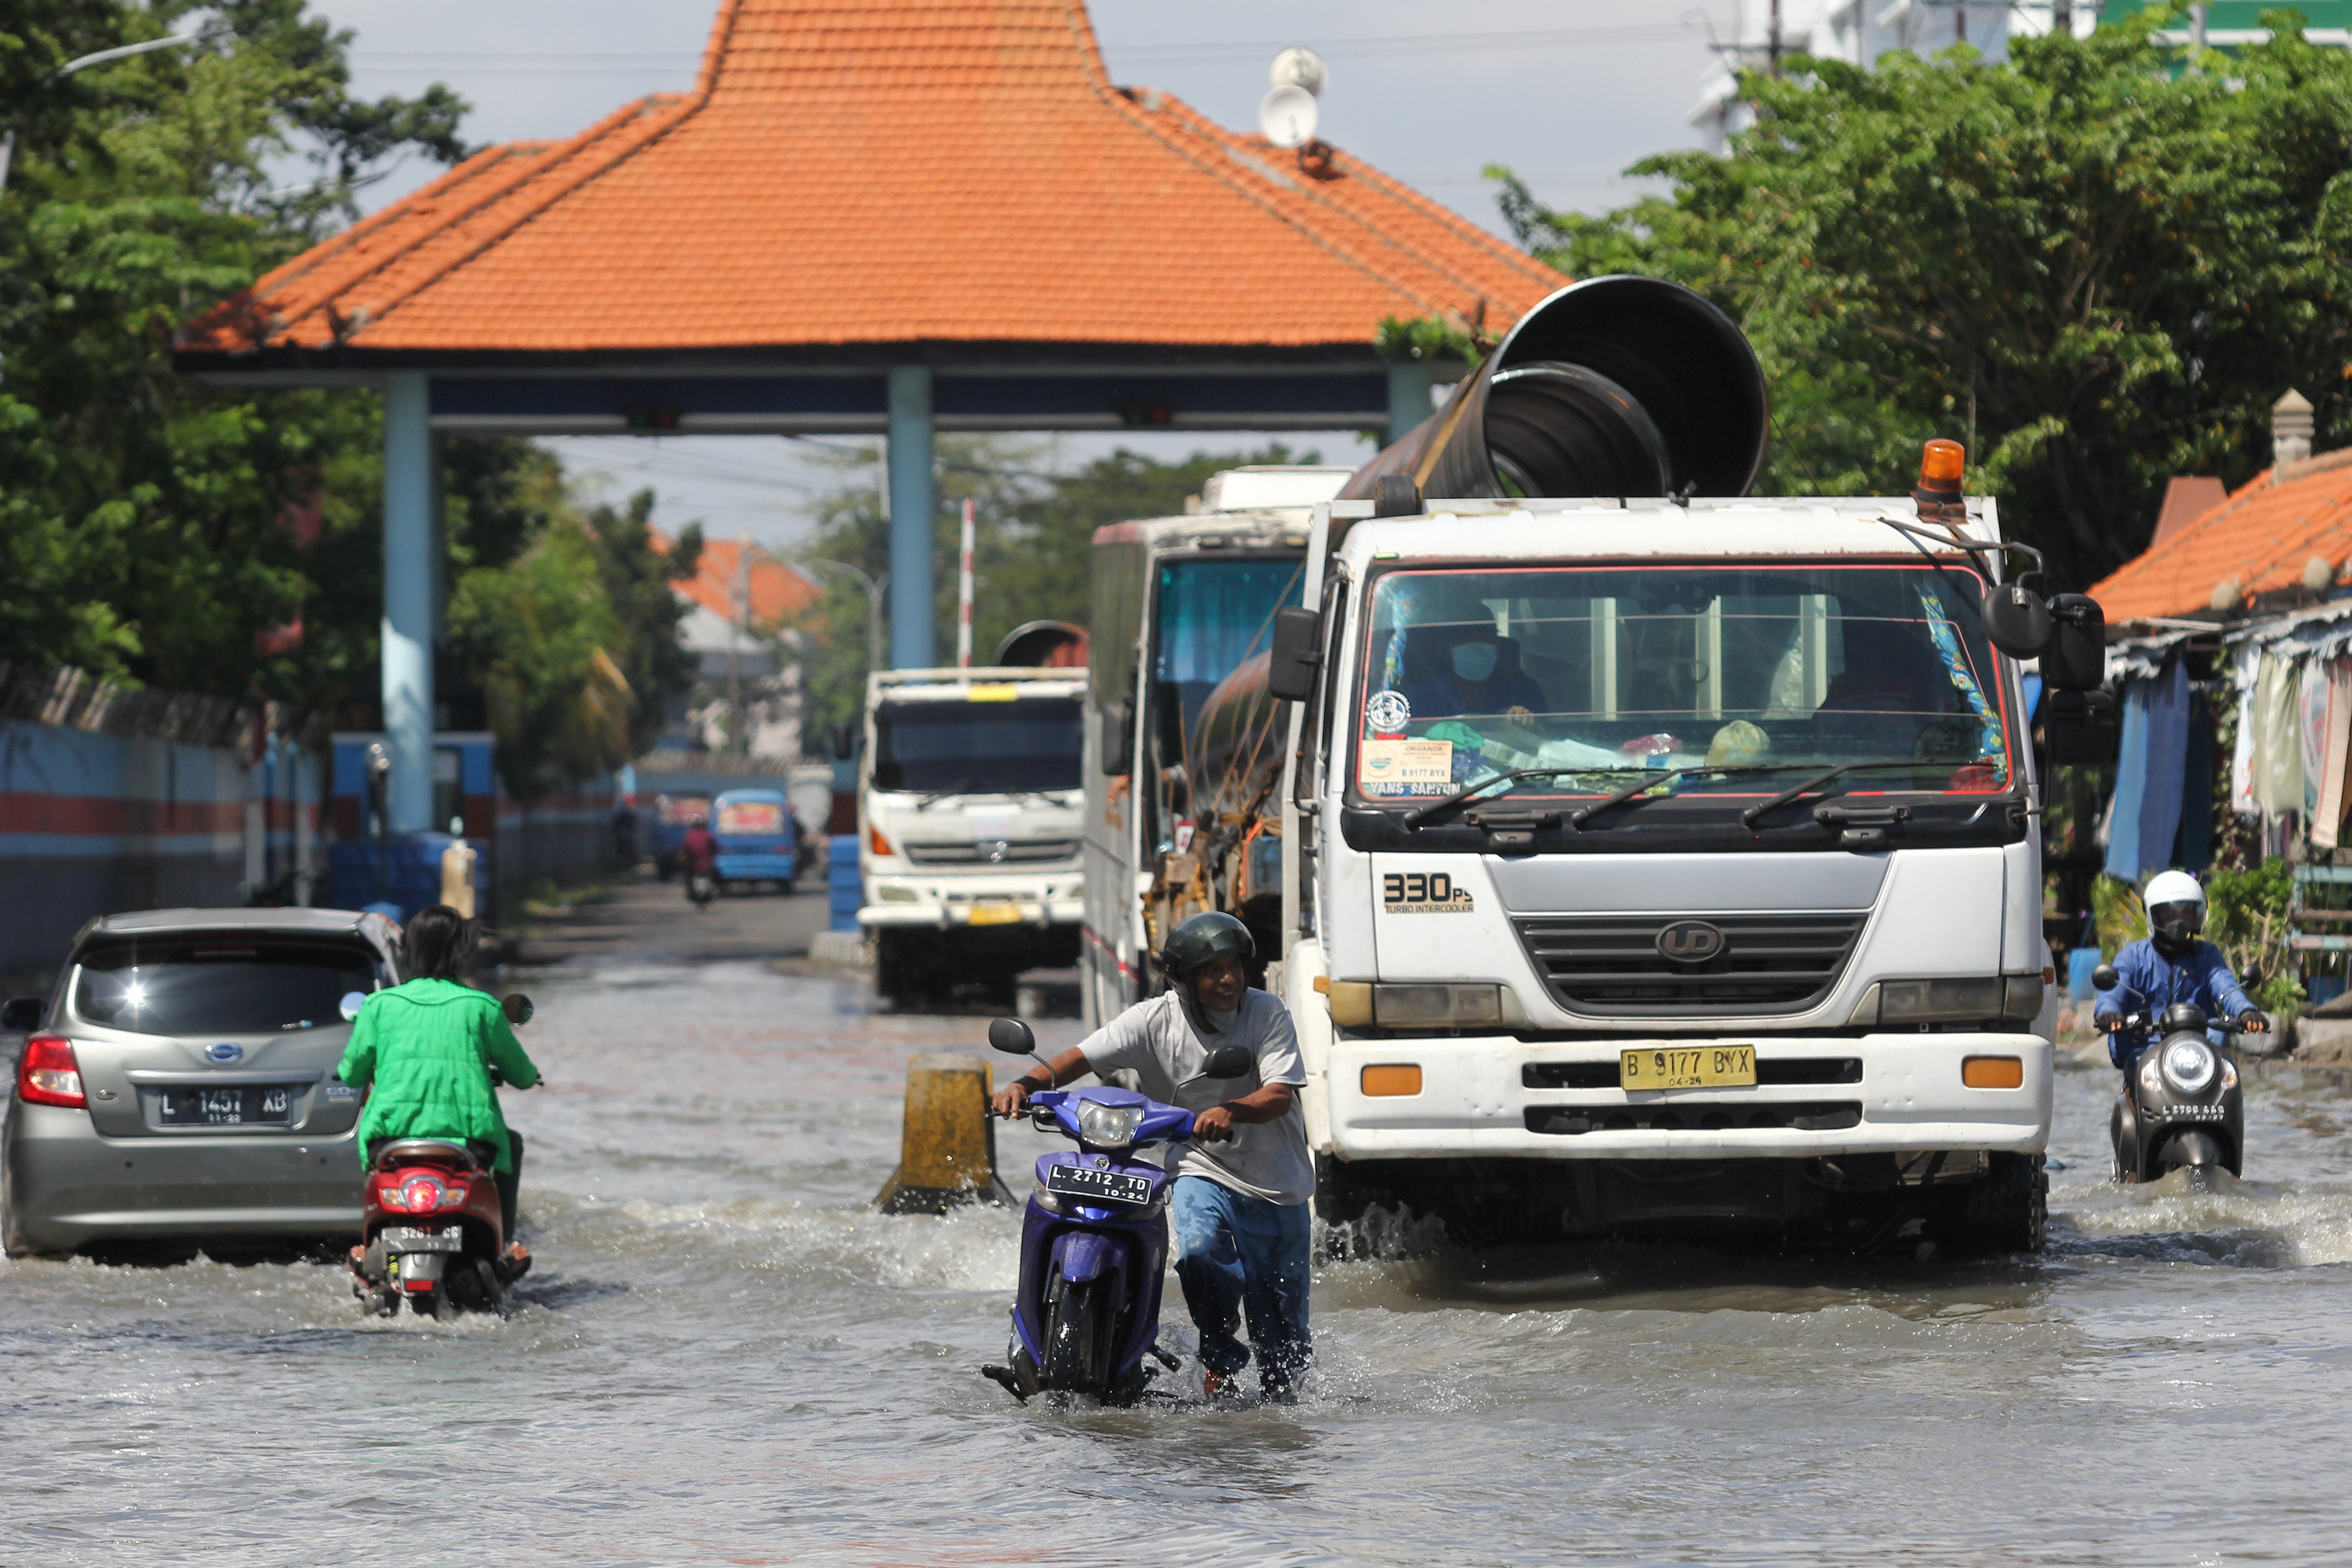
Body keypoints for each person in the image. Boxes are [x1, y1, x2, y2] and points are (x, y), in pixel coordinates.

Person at [991, 911, 1312, 1400]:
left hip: (1278, 1181)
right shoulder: (1152, 1019)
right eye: (1212, 970)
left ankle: (1279, 1417)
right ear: (1185, 980)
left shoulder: (1267, 1012)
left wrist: (1229, 1110)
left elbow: (1279, 1095)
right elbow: (1081, 1057)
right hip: (1199, 1162)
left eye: (1234, 967)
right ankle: (1219, 1366)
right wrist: (1023, 1084)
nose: (1228, 979)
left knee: (1282, 1348)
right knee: (1201, 1251)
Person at [336, 905, 542, 1268]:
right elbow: (522, 1076)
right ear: (460, 951)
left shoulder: (379, 1005)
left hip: (390, 1139)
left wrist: (350, 1071)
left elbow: (352, 1074)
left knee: (375, 1172)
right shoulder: (482, 1007)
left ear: (410, 950)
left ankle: (369, 1247)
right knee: (512, 1143)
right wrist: (529, 1077)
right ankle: (504, 1245)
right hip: (470, 1142)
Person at [2092, 870, 2267, 1068]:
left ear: (2199, 914)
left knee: (2228, 1081)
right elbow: (2114, 992)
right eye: (2169, 915)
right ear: (2152, 914)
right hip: (2144, 1052)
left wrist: (2245, 1010)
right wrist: (2109, 1012)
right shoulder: (2133, 956)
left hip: (2199, 1054)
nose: (2178, 923)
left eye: (2186, 914)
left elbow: (2226, 987)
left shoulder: (2207, 955)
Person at [1402, 632, 1547, 721]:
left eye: (1484, 635)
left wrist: (1527, 723)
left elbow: (1548, 741)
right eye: (1464, 637)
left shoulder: (1525, 691)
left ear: (1497, 645)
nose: (1475, 644)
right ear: (1444, 651)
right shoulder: (1420, 696)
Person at [680, 814, 717, 906]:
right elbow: (715, 848)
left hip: (694, 863)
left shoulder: (689, 835)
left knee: (688, 876)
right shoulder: (708, 835)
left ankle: (689, 889)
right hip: (705, 863)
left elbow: (685, 849)